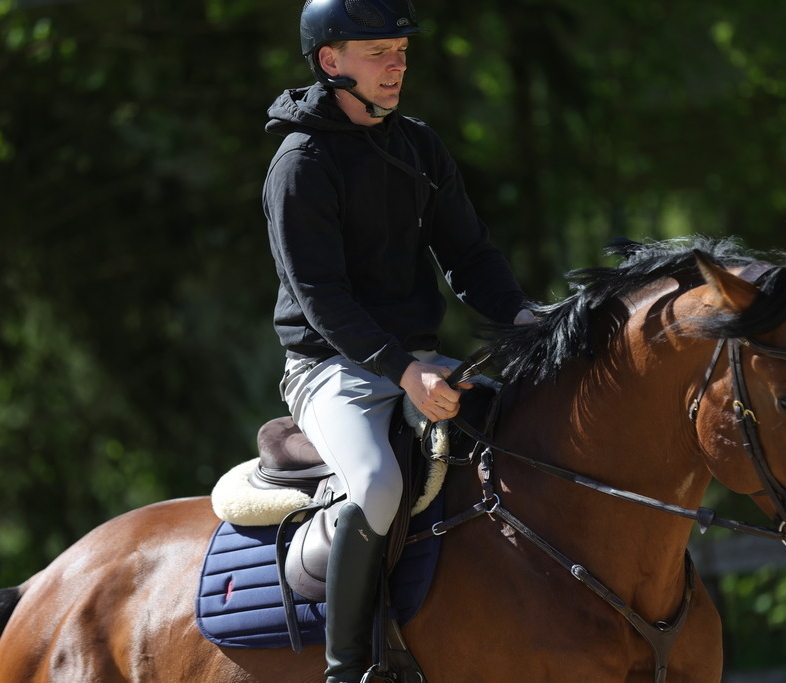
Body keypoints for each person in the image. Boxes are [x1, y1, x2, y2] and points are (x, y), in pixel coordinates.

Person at [262, 1, 535, 680]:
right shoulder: (300, 165)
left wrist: (529, 322)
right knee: (380, 484)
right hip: (331, 367)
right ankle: (349, 664)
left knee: (527, 438)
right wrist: (405, 370)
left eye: (402, 52)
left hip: (420, 361)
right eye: (378, 52)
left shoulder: (419, 146)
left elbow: (469, 257)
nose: (397, 66)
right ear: (332, 63)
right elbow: (324, 300)